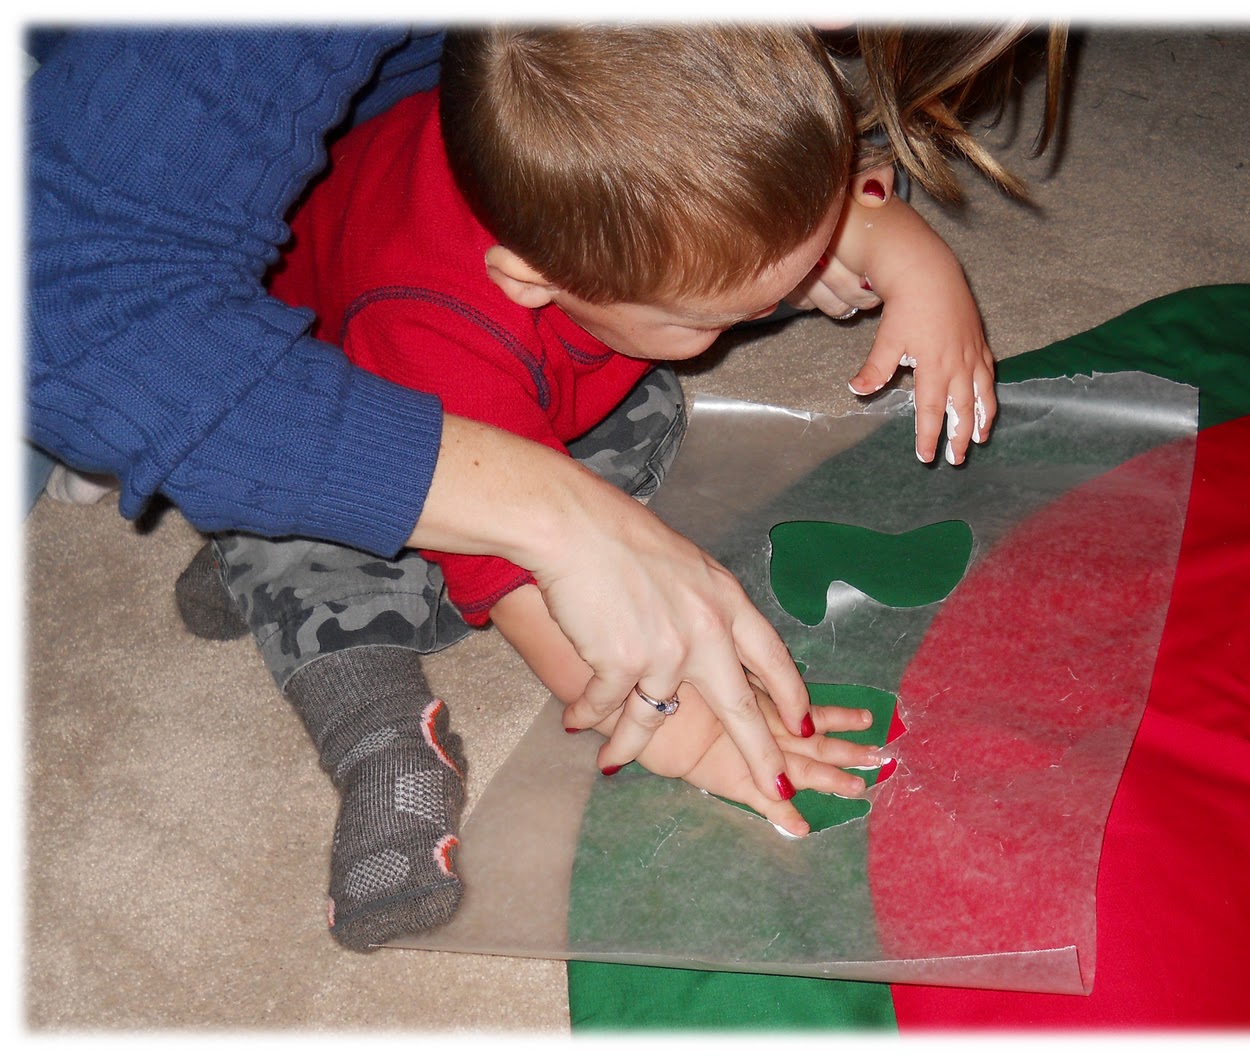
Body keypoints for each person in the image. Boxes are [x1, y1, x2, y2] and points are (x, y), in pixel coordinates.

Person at [27, 24, 1065, 948]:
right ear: (528, 276)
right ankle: (375, 723)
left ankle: (325, 569)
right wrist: (691, 728)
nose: (786, 310)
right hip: (344, 393)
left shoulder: (610, 187)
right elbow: (541, 612)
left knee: (648, 409)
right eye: (729, 312)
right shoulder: (430, 336)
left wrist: (902, 249)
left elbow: (798, 203)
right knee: (319, 557)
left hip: (522, 362)